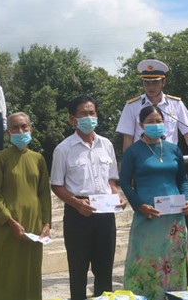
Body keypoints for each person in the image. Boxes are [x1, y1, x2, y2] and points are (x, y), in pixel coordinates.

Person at [50, 95, 127, 300]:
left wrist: (117, 196)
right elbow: (56, 185)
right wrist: (76, 203)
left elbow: (111, 180)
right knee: (78, 271)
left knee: (105, 270)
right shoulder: (63, 149)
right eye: (83, 114)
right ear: (72, 119)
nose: (88, 117)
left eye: (92, 113)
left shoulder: (106, 145)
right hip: (78, 215)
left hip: (105, 214)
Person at [120, 105, 188, 300]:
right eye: (151, 122)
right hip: (148, 217)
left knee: (173, 264)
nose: (156, 125)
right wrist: (140, 205)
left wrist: (187, 201)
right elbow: (125, 183)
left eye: (159, 121)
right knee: (146, 262)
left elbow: (183, 179)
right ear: (141, 125)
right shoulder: (133, 151)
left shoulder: (173, 149)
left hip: (174, 222)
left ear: (165, 123)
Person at [0, 112, 51, 300]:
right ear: (8, 133)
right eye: (15, 127)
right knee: (5, 270)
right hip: (7, 225)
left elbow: (44, 194)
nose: (20, 130)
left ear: (30, 129)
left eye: (24, 126)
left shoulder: (38, 158)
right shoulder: (1, 157)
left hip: (33, 225)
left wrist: (46, 224)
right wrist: (10, 221)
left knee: (30, 270)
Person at [117, 59, 188, 155]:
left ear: (163, 83)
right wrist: (128, 161)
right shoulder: (132, 106)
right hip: (142, 158)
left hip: (170, 157)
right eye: (147, 83)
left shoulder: (176, 104)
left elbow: (187, 132)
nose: (151, 87)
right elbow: (128, 137)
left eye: (155, 83)